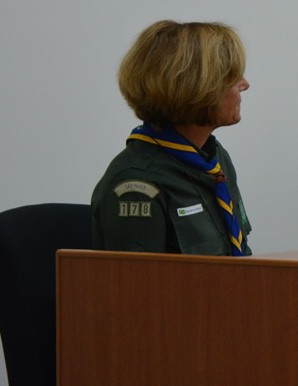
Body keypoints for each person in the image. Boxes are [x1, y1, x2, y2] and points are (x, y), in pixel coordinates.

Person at [91, 20, 253, 255]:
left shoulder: (214, 159)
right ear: (197, 87)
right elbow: (136, 279)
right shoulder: (136, 184)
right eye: (232, 77)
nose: (245, 84)